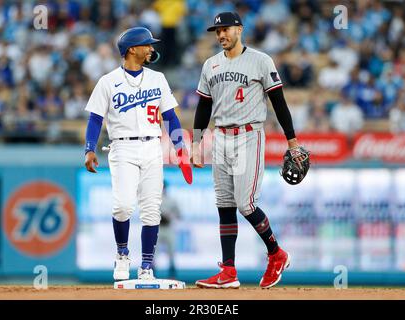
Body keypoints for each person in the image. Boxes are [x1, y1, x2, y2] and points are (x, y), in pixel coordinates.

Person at [191, 12, 307, 289]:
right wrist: (196, 143)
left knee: (246, 204)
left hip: (248, 135)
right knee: (224, 204)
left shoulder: (260, 60)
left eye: (226, 29)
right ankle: (228, 271)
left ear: (239, 30)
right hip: (220, 137)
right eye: (217, 31)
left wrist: (292, 141)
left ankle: (276, 254)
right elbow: (203, 106)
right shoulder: (210, 64)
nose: (221, 35)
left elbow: (279, 102)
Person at [84, 27, 191, 281]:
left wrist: (180, 149)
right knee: (122, 206)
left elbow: (171, 118)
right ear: (132, 49)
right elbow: (95, 119)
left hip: (153, 146)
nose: (151, 48)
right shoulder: (108, 82)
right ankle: (122, 256)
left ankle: (146, 266)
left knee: (151, 210)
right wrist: (89, 149)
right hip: (122, 147)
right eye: (147, 44)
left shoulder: (158, 79)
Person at [157, 180, 181, 279]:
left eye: (163, 187)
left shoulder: (171, 200)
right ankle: (151, 274)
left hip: (168, 227)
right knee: (153, 253)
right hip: (157, 228)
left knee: (171, 252)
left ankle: (172, 276)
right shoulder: (154, 200)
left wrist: (170, 216)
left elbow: (179, 215)